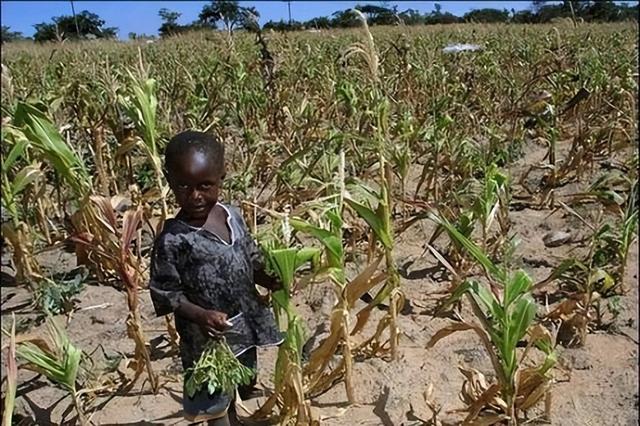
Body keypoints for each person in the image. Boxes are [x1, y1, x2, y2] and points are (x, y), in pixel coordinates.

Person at [149, 131, 283, 425]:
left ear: (222, 176)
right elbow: (166, 293)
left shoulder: (232, 215)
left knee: (239, 379)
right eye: (183, 186)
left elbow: (250, 256)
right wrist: (201, 315)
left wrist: (269, 277)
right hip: (206, 338)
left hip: (242, 325)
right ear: (170, 182)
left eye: (205, 185)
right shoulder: (173, 240)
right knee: (214, 396)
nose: (195, 195)